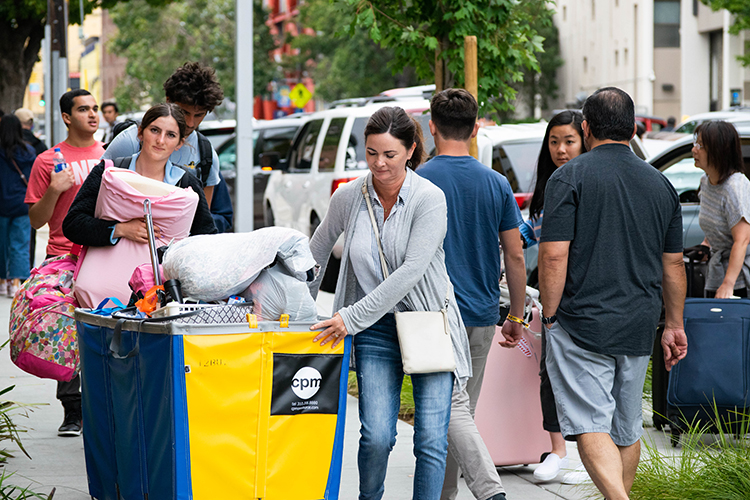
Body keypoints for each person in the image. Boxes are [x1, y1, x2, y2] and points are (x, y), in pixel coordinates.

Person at [308, 106, 472, 500]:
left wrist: (349, 316)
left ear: (412, 149)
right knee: (377, 436)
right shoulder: (349, 196)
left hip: (426, 323)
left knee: (431, 440)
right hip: (375, 332)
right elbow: (314, 251)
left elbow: (411, 271)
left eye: (390, 154)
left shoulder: (429, 198)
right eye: (371, 153)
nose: (379, 164)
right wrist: (297, 307)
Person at [538, 87, 688, 500]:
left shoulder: (568, 177)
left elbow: (552, 257)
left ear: (585, 128)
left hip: (581, 322)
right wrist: (673, 325)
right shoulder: (661, 184)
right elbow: (673, 264)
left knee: (590, 424)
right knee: (625, 428)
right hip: (639, 323)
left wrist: (549, 317)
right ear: (634, 128)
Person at [417, 88, 524, 500]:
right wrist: (515, 315)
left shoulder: (417, 180)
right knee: (458, 409)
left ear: (431, 127)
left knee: (446, 413)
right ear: (475, 128)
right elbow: (514, 255)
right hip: (479, 313)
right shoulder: (496, 183)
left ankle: (452, 494)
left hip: (428, 317)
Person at [63, 103, 217, 306]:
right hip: (96, 308)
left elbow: (206, 241)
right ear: (140, 133)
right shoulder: (109, 172)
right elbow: (72, 224)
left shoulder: (186, 184)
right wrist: (119, 229)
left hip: (159, 306)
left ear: (179, 143)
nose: (161, 140)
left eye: (170, 135)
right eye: (154, 130)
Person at [25, 88, 103, 438]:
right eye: (83, 109)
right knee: (67, 333)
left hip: (103, 255)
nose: (92, 114)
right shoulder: (48, 160)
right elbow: (35, 221)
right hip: (63, 257)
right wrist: (54, 190)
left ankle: (102, 406)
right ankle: (72, 411)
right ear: (67, 117)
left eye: (96, 108)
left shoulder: (110, 155)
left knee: (103, 330)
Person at [521, 111, 588, 483]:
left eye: (569, 141)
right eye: (554, 142)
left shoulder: (591, 183)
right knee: (550, 373)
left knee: (585, 375)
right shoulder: (549, 185)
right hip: (552, 296)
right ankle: (558, 450)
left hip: (584, 295)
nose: (561, 150)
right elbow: (530, 233)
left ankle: (583, 453)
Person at [103, 62, 224, 208]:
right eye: (185, 112)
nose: (191, 123)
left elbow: (202, 219)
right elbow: (92, 204)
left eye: (199, 115)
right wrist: (118, 229)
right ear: (168, 100)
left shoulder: (207, 155)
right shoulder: (129, 141)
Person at [692, 120, 750, 298]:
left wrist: (728, 284)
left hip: (739, 281)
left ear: (719, 151)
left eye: (700, 145)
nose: (694, 150)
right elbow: (717, 223)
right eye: (695, 143)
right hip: (716, 273)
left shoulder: (735, 187)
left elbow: (742, 239)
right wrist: (706, 244)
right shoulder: (705, 181)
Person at [0, 115, 35, 297]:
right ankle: (15, 284)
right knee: (20, 244)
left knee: (2, 244)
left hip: (2, 204)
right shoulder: (28, 151)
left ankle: (2, 282)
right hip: (22, 204)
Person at [15, 108, 48, 270]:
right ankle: (27, 270)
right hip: (37, 198)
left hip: (12, 197)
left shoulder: (10, 145)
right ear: (31, 124)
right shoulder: (40, 146)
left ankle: (9, 278)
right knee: (30, 236)